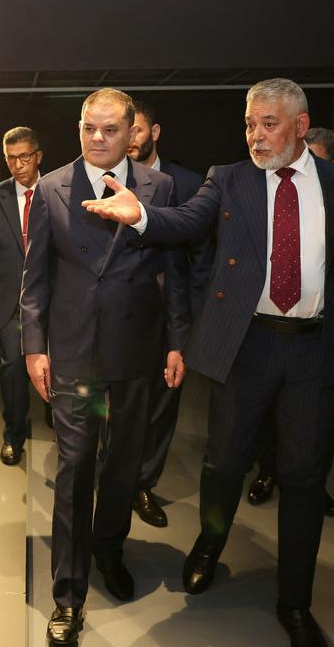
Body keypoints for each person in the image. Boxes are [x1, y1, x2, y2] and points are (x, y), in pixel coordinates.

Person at [85, 78, 334, 647]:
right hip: (247, 344)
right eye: (249, 124)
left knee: (304, 478)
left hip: (315, 349)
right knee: (224, 462)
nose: (255, 136)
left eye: (268, 125)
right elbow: (185, 221)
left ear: (301, 126)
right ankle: (209, 544)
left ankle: (295, 600)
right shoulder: (229, 179)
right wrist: (142, 217)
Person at [21, 88, 188, 646]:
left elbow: (174, 272)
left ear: (132, 131)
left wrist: (177, 341)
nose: (97, 138)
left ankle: (109, 550)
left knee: (123, 464)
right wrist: (34, 346)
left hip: (136, 349)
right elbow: (35, 279)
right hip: (74, 353)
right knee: (74, 467)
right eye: (89, 127)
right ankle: (67, 595)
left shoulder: (159, 187)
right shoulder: (51, 188)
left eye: (110, 129)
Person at [248, 125, 334, 518]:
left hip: (318, 336)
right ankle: (268, 473)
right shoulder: (261, 189)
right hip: (264, 330)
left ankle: (312, 484)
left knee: (318, 424)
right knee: (269, 417)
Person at [126, 101, 210, 528]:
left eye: (137, 130)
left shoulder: (189, 184)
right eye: (124, 131)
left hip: (171, 316)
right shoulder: (104, 180)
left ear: (154, 132)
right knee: (115, 405)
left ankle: (143, 483)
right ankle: (115, 478)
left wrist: (189, 324)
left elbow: (200, 260)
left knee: (162, 406)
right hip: (121, 317)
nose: (130, 140)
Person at [0, 128, 51, 467]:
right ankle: (14, 435)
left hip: (55, 301)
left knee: (59, 370)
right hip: (9, 304)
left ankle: (59, 424)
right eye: (11, 159)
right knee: (13, 372)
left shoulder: (57, 191)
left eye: (24, 157)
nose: (18, 165)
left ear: (38, 156)